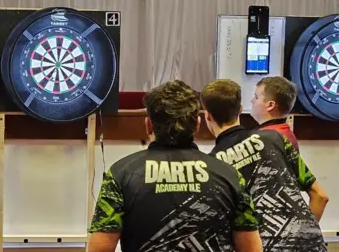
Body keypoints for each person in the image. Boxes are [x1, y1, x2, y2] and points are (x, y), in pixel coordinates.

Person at [87, 80, 262, 252]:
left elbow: (99, 249)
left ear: (148, 125)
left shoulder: (121, 174)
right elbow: (251, 248)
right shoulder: (229, 176)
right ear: (197, 126)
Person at [201, 79, 329, 251]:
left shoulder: (213, 165)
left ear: (207, 116)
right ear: (240, 110)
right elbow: (320, 196)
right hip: (313, 244)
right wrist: (302, 234)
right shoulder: (275, 139)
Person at [250, 76, 300, 151]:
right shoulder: (286, 134)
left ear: (270, 105)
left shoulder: (263, 140)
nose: (252, 100)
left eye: (256, 97)